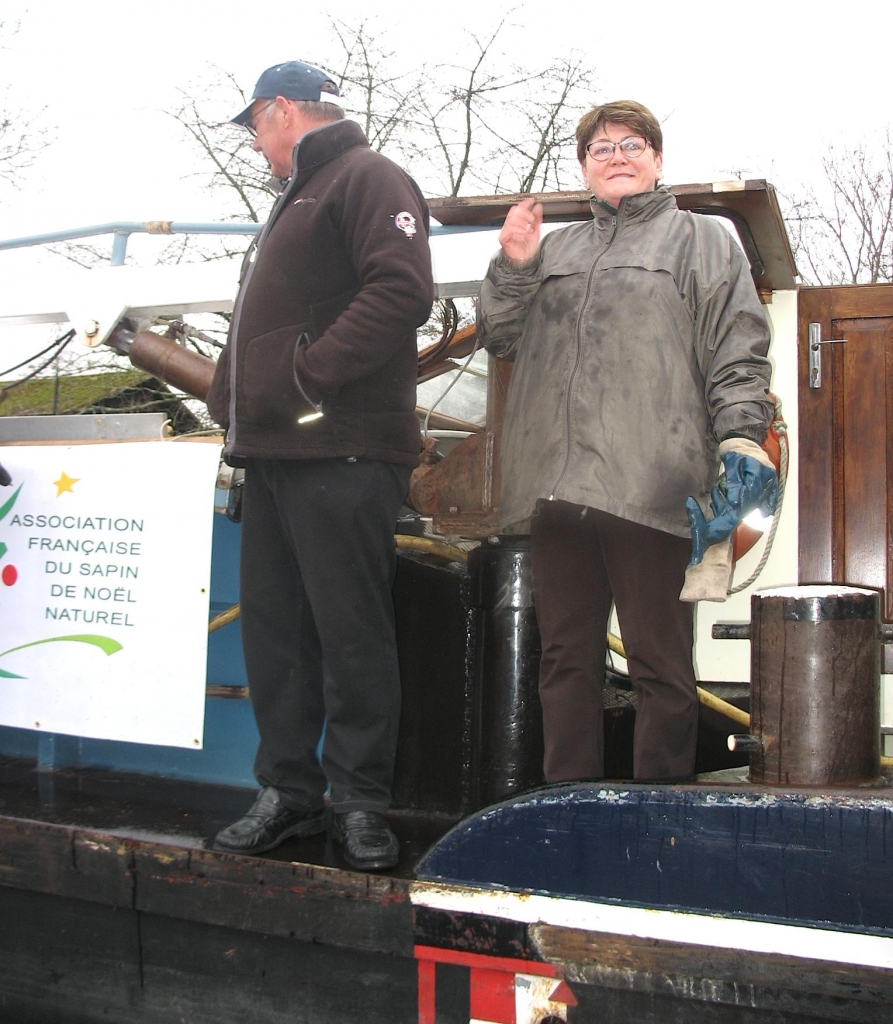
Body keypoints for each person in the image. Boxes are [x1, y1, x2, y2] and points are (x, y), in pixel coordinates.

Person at [477, 100, 775, 783]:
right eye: (600, 148)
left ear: (657, 159)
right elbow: (503, 338)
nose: (616, 156)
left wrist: (740, 438)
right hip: (557, 489)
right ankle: (569, 806)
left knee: (659, 665)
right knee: (563, 661)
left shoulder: (702, 239)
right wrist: (515, 264)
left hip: (654, 484)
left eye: (631, 144)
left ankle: (659, 814)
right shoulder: (555, 249)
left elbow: (738, 343)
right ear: (583, 169)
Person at [206, 61, 434, 870]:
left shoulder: (367, 176)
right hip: (272, 452)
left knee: (352, 635)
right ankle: (289, 792)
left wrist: (305, 378)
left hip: (341, 447)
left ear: (278, 112)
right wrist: (233, 399)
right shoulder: (290, 204)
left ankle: (362, 802)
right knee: (277, 637)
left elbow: (402, 291)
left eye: (255, 130)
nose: (256, 148)